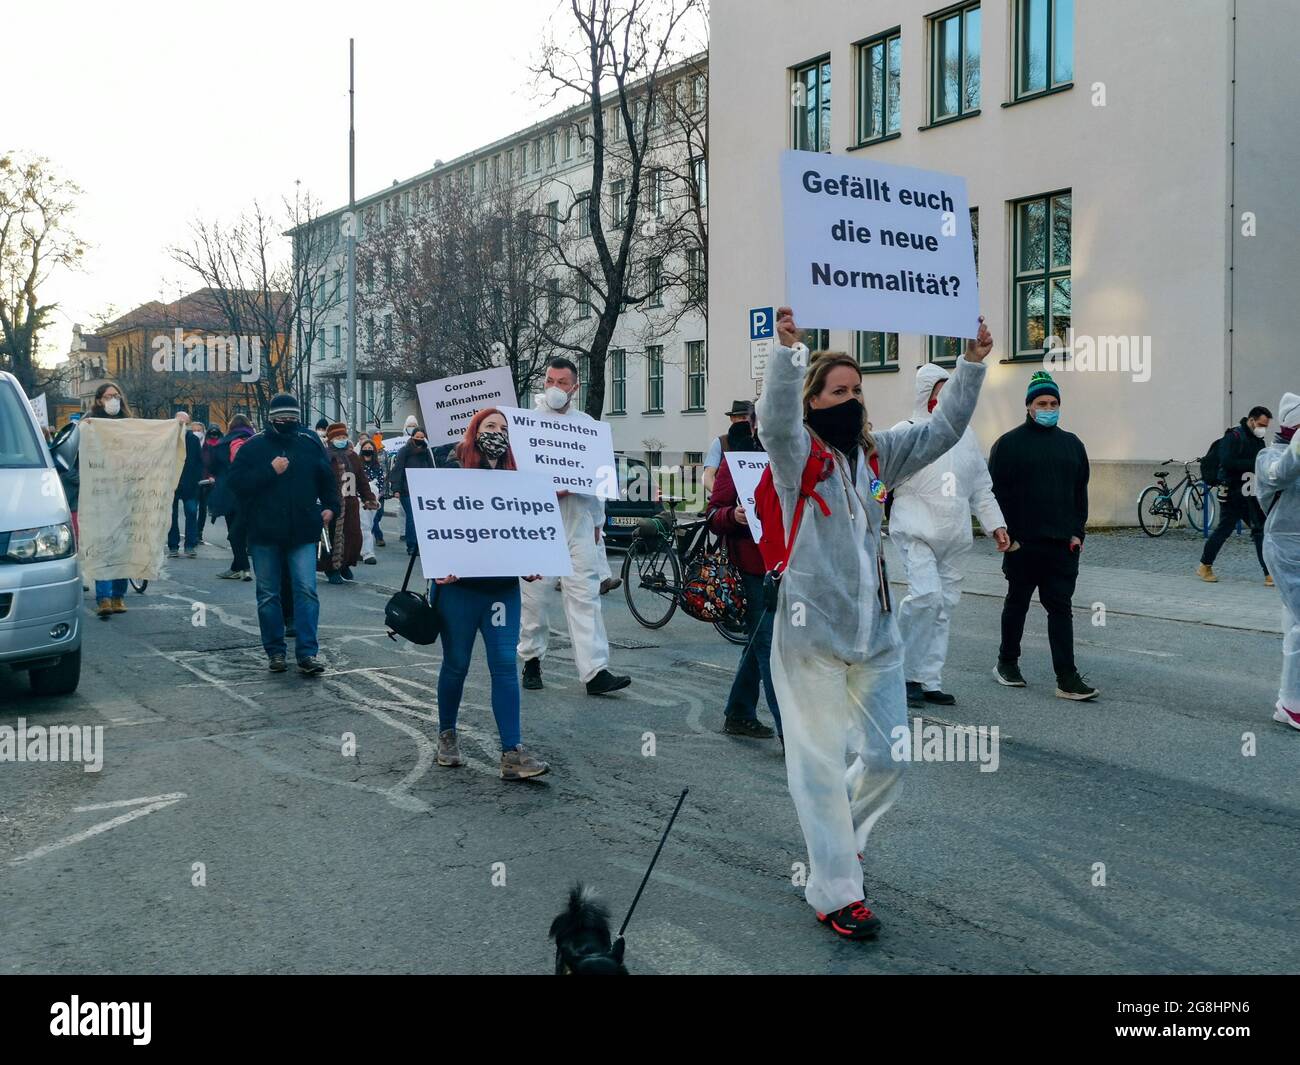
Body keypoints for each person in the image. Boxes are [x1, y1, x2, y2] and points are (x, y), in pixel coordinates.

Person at [757, 307, 993, 940]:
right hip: (810, 638)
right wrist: (786, 354)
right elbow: (774, 419)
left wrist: (970, 363)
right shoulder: (797, 454)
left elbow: (943, 429)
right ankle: (836, 892)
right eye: (840, 391)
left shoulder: (875, 454)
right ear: (814, 398)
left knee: (890, 758)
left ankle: (842, 844)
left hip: (877, 637)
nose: (853, 399)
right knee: (818, 768)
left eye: (859, 390)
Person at [434, 408, 551, 779]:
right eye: (489, 426)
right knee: (456, 664)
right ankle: (447, 735)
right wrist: (441, 563)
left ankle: (512, 753)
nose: (497, 433)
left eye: (503, 428)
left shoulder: (519, 481)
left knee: (504, 665)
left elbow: (525, 530)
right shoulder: (453, 475)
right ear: (474, 432)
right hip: (460, 591)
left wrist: (531, 560)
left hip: (501, 590)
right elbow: (434, 524)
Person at [890, 364, 1010, 708]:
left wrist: (995, 523)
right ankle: (903, 674)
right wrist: (875, 501)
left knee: (942, 607)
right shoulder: (907, 430)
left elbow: (980, 487)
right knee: (925, 597)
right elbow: (877, 473)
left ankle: (929, 678)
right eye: (940, 391)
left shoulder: (965, 436)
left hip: (954, 535)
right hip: (916, 530)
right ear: (926, 394)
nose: (946, 400)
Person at [517, 358, 630, 696]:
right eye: (550, 380)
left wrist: (598, 522)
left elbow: (600, 479)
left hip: (578, 521)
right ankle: (532, 659)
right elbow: (518, 477)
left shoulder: (588, 426)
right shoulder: (529, 424)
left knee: (585, 596)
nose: (555, 387)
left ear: (575, 387)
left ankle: (595, 671)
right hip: (540, 523)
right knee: (535, 599)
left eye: (563, 382)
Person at [988, 370, 1098, 700]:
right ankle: (1007, 663)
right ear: (1029, 406)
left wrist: (1077, 533)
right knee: (1017, 603)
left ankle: (1067, 677)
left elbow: (1080, 493)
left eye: (1053, 402)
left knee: (1060, 609)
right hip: (1023, 544)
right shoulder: (1008, 445)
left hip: (1062, 545)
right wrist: (1008, 535)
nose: (1048, 407)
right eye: (1041, 402)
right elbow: (995, 494)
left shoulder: (1072, 445)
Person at [226, 393, 341, 675]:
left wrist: (330, 507)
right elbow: (237, 485)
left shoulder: (309, 444)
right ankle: (276, 651)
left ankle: (307, 653)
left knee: (306, 589)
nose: (288, 422)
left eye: (292, 417)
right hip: (264, 532)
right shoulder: (254, 448)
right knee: (268, 594)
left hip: (302, 529)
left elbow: (326, 478)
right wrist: (270, 471)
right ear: (271, 419)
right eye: (282, 418)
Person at [706, 411, 781, 741]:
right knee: (770, 647)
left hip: (785, 567)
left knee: (757, 643)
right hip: (751, 568)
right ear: (753, 426)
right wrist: (732, 515)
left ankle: (739, 712)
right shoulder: (738, 462)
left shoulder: (795, 455)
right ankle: (791, 736)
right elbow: (712, 515)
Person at [1256, 393, 1300, 731]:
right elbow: (1279, 474)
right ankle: (1290, 703)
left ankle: (1289, 697)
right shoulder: (1267, 455)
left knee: (1294, 626)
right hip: (1284, 548)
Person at [1198, 406, 1274, 586]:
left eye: (1266, 426)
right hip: (1232, 492)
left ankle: (1269, 573)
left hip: (1250, 492)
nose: (1263, 429)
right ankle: (1205, 565)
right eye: (1261, 424)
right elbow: (1227, 461)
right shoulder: (1233, 437)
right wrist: (1253, 464)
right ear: (1251, 420)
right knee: (1228, 529)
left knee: (1259, 529)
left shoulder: (1258, 440)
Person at [81, 382, 132, 618]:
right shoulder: (89, 423)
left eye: (117, 395)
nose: (114, 399)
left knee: (122, 548)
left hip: (125, 495)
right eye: (109, 396)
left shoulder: (130, 425)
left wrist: (178, 423)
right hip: (100, 495)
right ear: (99, 400)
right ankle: (103, 597)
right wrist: (83, 429)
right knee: (103, 547)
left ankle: (119, 595)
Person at [318, 423, 378, 585]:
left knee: (353, 536)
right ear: (331, 439)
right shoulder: (325, 456)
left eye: (344, 437)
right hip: (333, 502)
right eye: (338, 438)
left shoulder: (353, 457)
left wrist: (368, 497)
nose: (341, 440)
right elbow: (319, 480)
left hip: (351, 502)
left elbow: (362, 480)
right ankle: (332, 568)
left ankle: (345, 563)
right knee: (333, 537)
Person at [209, 415, 256, 580]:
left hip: (229, 492)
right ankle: (236, 566)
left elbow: (213, 466)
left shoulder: (224, 443)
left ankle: (244, 568)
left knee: (234, 532)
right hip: (251, 491)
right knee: (242, 530)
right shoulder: (255, 441)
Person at [390, 426, 435, 556]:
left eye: (422, 438)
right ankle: (412, 545)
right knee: (412, 517)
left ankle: (420, 544)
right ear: (412, 437)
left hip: (423, 489)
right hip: (407, 490)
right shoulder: (404, 451)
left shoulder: (426, 452)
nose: (420, 440)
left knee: (420, 518)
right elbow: (398, 469)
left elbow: (431, 469)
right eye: (418, 437)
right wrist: (396, 489)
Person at [167, 412, 204, 559]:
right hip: (172, 483)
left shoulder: (193, 440)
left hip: (189, 483)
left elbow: (199, 461)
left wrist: (196, 479)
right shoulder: (169, 439)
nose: (182, 425)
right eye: (179, 422)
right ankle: (173, 546)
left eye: (184, 423)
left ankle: (190, 545)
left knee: (191, 513)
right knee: (171, 516)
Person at [702, 400, 755, 495]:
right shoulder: (721, 443)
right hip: (728, 499)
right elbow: (708, 476)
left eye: (748, 418)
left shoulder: (760, 442)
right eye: (742, 418)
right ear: (732, 418)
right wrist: (720, 496)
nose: (746, 422)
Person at [359, 438, 387, 560]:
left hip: (374, 498)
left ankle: (362, 549)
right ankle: (367, 553)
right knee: (363, 525)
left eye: (370, 449)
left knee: (369, 524)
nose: (367, 451)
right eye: (365, 449)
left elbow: (381, 482)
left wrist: (377, 497)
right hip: (360, 498)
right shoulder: (358, 465)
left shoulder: (377, 466)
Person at [198, 425, 223, 542]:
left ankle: (199, 531)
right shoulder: (203, 447)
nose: (214, 437)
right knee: (202, 508)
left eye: (216, 435)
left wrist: (214, 477)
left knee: (207, 508)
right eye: (211, 435)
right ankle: (198, 532)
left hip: (214, 480)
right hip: (203, 480)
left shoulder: (221, 446)